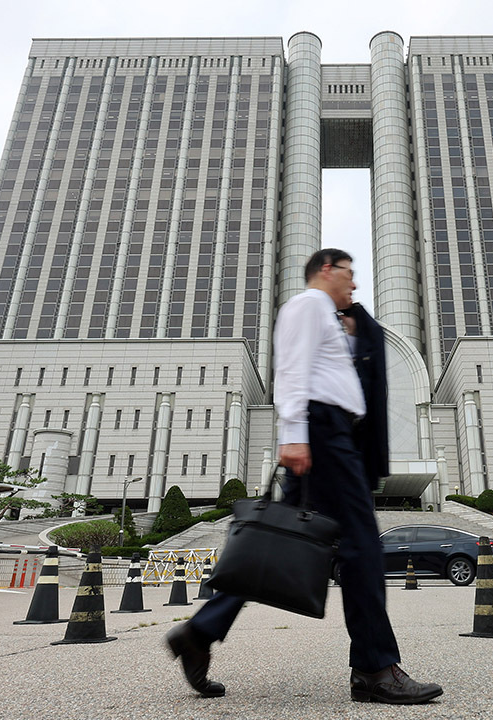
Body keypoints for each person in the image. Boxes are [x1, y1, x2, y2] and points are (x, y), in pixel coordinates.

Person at [166, 248, 443, 705]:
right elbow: (292, 370)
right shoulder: (309, 305)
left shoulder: (331, 317)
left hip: (330, 435)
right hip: (323, 433)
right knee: (362, 551)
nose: (354, 284)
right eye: (349, 273)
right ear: (327, 269)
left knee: (267, 546)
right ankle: (375, 668)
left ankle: (199, 632)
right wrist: (294, 434)